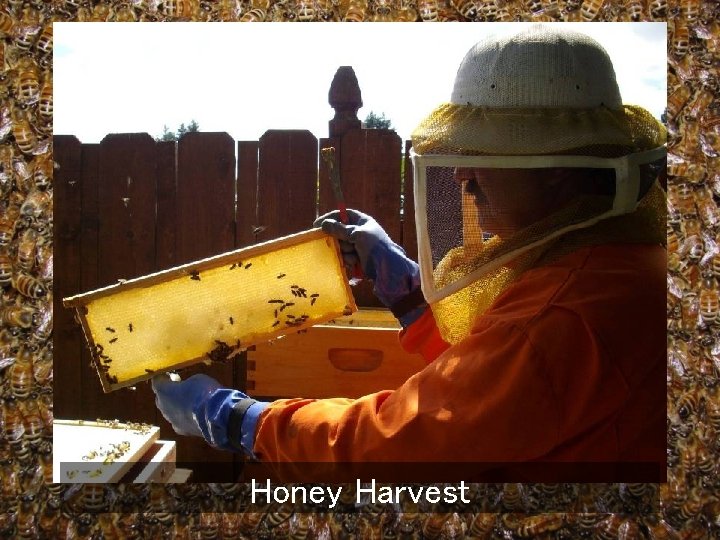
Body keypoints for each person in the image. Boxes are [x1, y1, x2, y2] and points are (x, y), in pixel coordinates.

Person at [152, 25, 667, 482]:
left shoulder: (557, 318)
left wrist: (238, 419)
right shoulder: (613, 265)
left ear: (554, 165)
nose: (464, 177)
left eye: (480, 156)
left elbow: (388, 446)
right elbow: (498, 391)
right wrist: (413, 297)